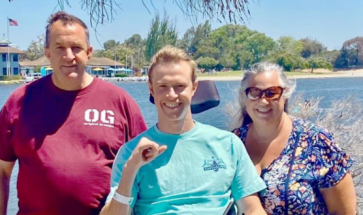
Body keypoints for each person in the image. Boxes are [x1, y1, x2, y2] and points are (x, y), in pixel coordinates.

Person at [0, 11, 146, 215]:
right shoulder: (20, 102)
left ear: (89, 52)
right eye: (60, 47)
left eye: (76, 48)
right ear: (48, 53)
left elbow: (145, 173)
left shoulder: (120, 102)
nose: (68, 56)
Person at [100, 46, 267, 215]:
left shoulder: (228, 144)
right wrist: (130, 169)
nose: (171, 95)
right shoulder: (132, 153)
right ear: (151, 89)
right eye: (162, 86)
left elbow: (252, 208)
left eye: (179, 86)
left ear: (194, 87)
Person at [232, 62, 356, 214]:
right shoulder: (232, 141)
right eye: (254, 92)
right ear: (244, 97)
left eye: (272, 92)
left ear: (285, 95)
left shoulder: (316, 141)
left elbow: (343, 211)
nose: (263, 101)